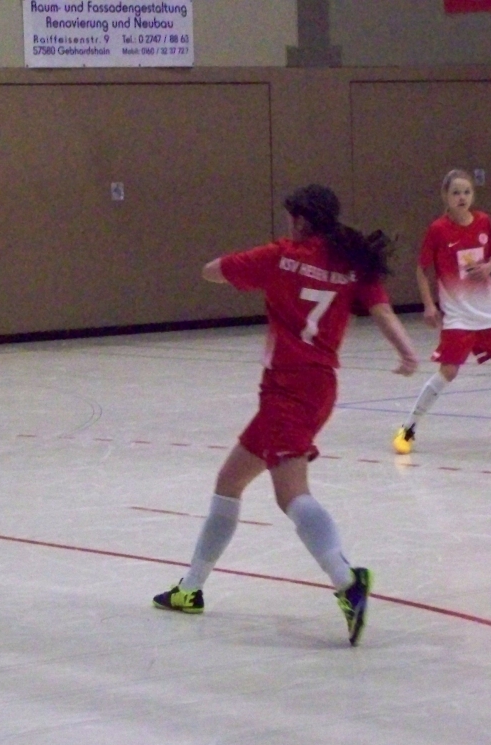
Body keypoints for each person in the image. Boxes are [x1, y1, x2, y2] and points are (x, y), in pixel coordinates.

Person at [153, 184, 418, 647]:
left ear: (299, 220)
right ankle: (190, 589)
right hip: (320, 388)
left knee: (291, 494)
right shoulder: (351, 260)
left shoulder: (280, 256)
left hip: (287, 390)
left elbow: (211, 271)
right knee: (229, 481)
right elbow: (382, 312)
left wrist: (261, 266)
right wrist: (407, 352)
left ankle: (346, 579)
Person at [392, 169, 491, 454]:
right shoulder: (438, 229)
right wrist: (428, 304)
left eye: (466, 192)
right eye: (456, 193)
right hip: (458, 315)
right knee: (448, 371)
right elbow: (422, 269)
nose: (462, 197)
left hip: (488, 310)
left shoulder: (484, 221)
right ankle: (408, 428)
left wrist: (488, 267)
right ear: (445, 197)